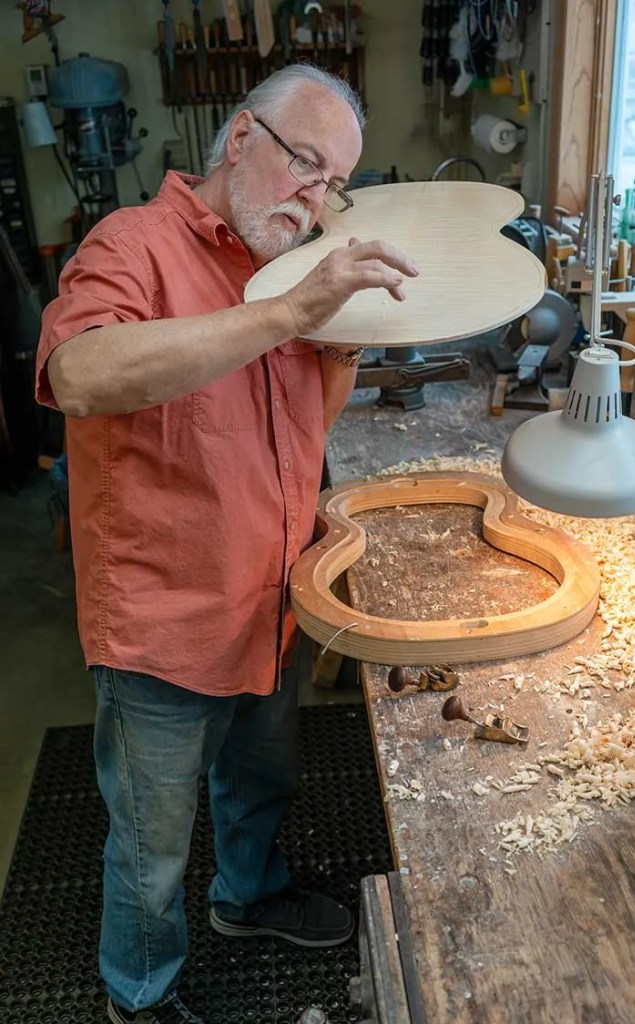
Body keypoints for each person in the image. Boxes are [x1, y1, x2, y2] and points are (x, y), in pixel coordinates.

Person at [35, 64, 419, 1024]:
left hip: (269, 599)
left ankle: (245, 900)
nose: (316, 197)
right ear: (241, 138)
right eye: (304, 164)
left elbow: (294, 428)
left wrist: (337, 339)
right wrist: (288, 313)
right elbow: (78, 374)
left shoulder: (287, 264)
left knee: (261, 781)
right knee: (150, 845)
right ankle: (140, 992)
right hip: (165, 623)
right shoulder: (133, 244)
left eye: (333, 183)